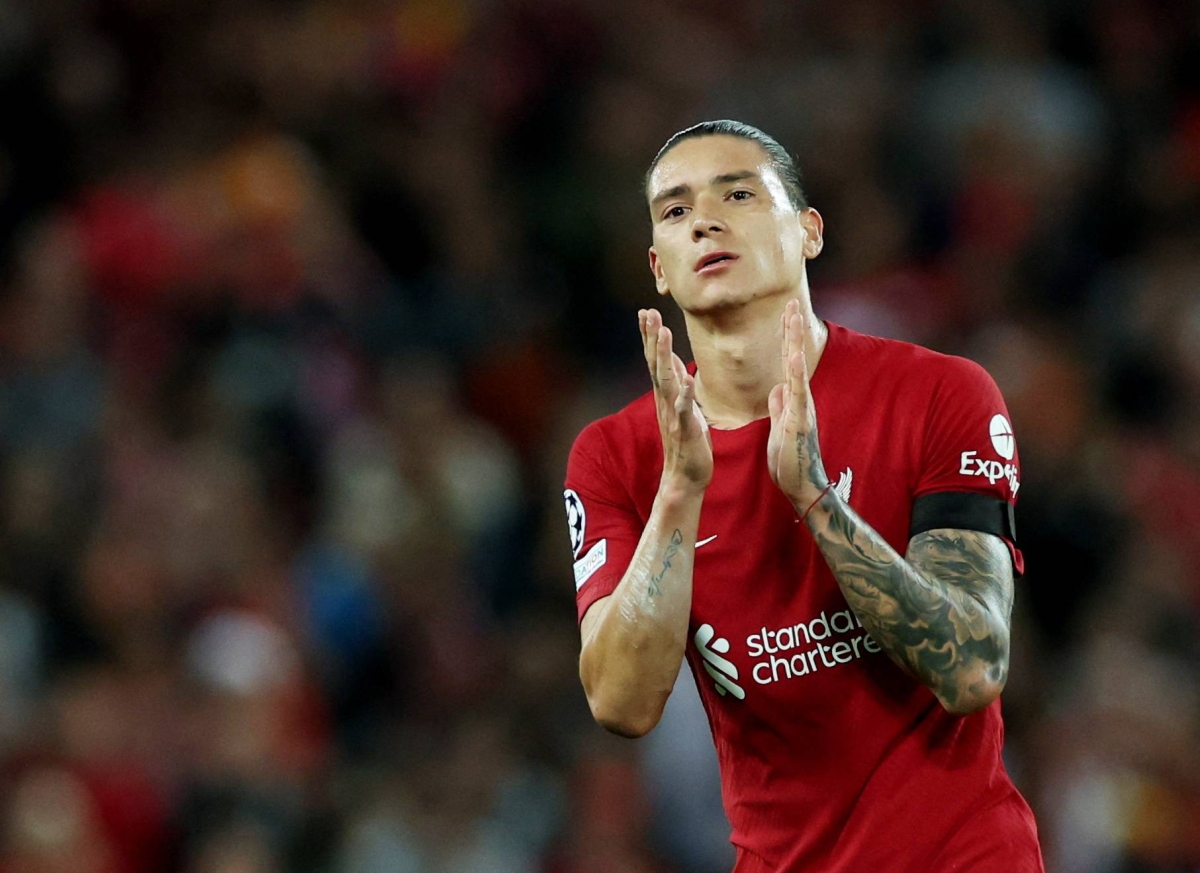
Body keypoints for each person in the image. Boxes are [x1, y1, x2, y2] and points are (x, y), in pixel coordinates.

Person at [562, 120, 1043, 872]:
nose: (706, 221)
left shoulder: (939, 393)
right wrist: (680, 492)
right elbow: (621, 703)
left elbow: (973, 667)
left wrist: (816, 499)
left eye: (738, 194)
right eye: (677, 210)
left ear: (810, 231)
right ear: (659, 267)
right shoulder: (616, 457)